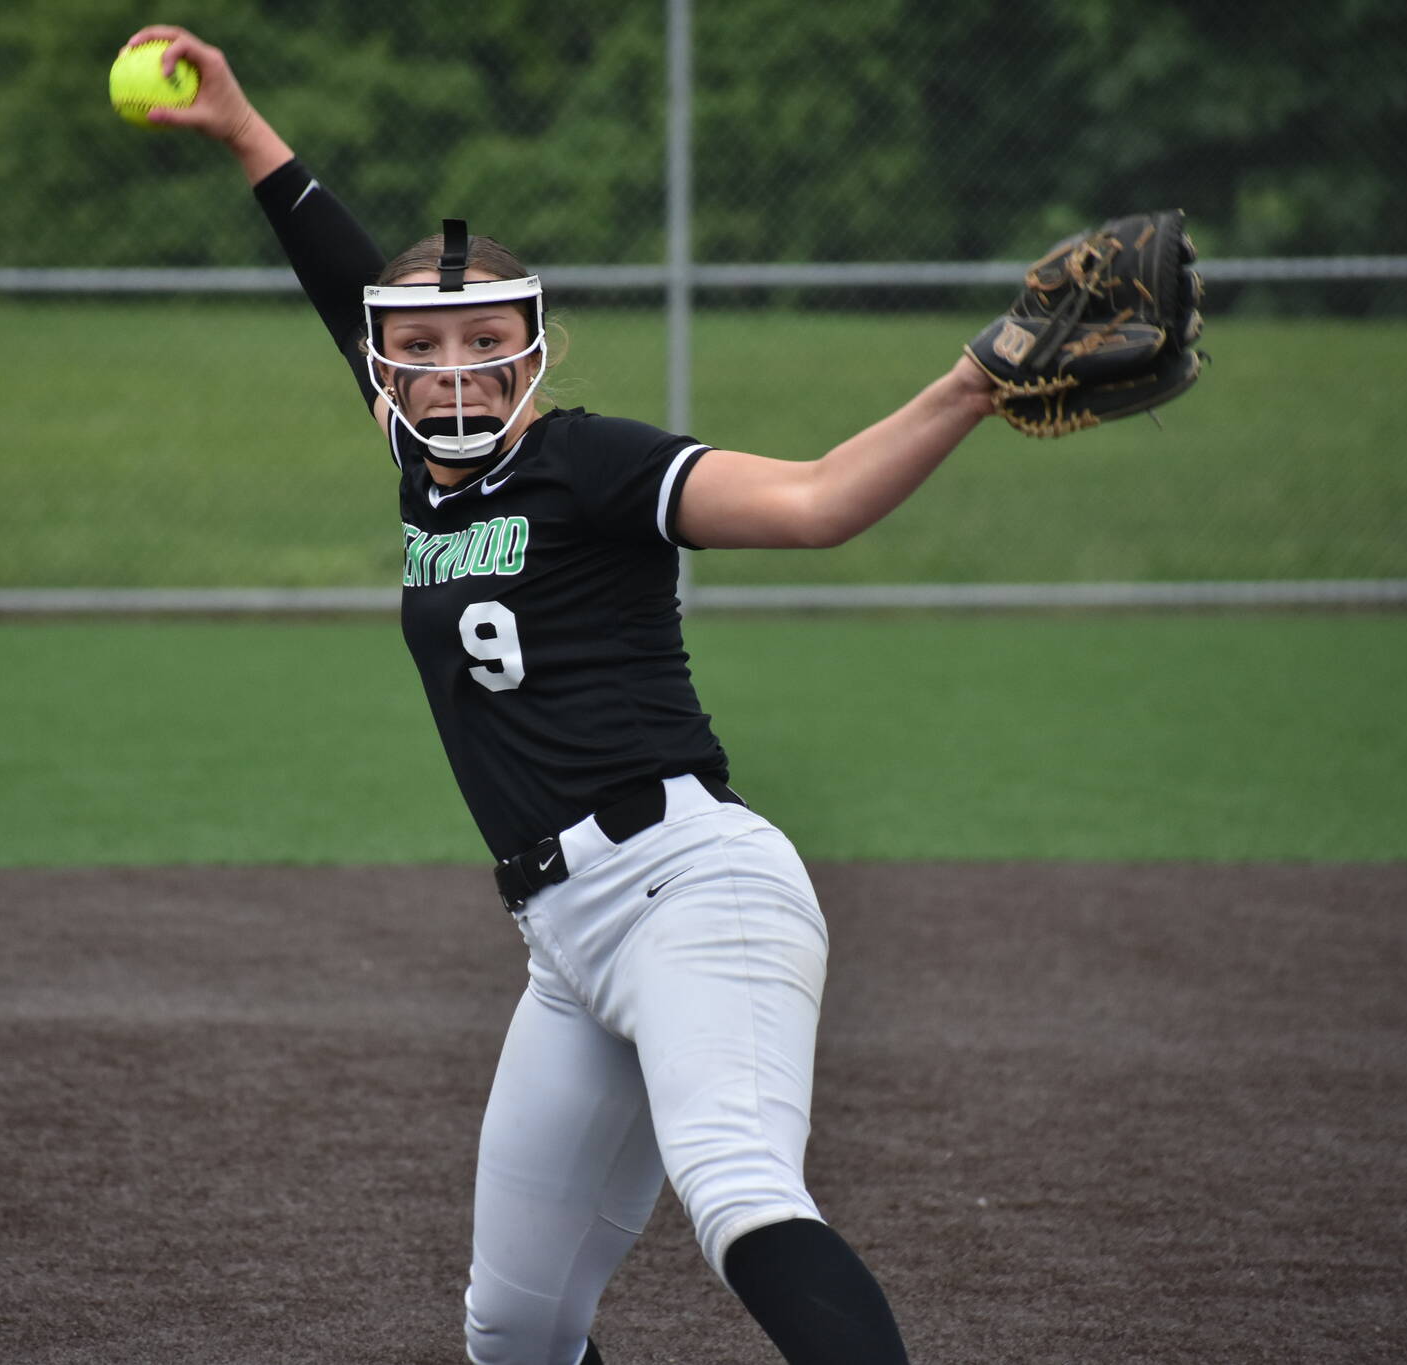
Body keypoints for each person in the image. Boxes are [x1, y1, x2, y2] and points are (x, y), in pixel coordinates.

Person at [127, 24, 996, 1365]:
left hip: (694, 888)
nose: (458, 370)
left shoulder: (585, 463)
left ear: (539, 353)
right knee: (515, 1327)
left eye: (490, 342)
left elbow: (818, 503)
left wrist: (972, 383)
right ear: (387, 373)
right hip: (563, 940)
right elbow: (343, 278)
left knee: (738, 1185)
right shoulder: (423, 455)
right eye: (425, 350)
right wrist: (246, 132)